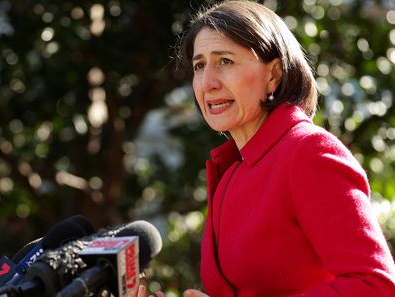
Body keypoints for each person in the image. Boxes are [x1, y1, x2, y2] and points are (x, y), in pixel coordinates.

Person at [136, 1, 395, 296]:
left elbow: (375, 285)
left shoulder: (309, 152)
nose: (207, 83)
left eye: (225, 61)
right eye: (199, 65)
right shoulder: (233, 169)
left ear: (273, 74)